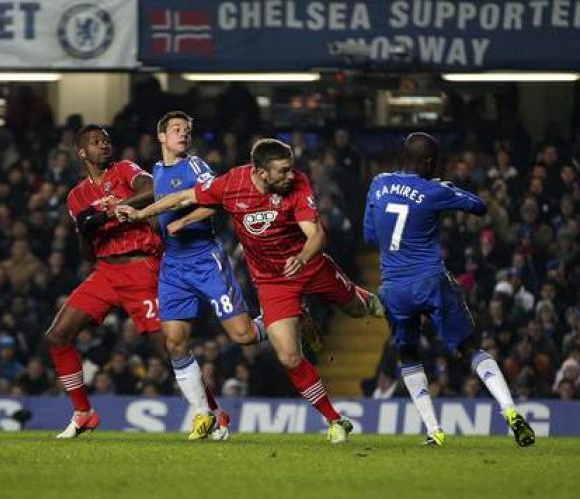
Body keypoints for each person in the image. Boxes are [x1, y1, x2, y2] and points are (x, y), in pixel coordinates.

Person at [116, 138, 383, 444]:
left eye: (291, 168)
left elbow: (316, 234)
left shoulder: (297, 183)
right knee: (289, 357)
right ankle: (335, 420)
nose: (290, 175)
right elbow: (184, 197)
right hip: (272, 281)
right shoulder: (233, 183)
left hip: (309, 265)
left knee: (356, 310)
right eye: (282, 171)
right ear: (261, 172)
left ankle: (372, 300)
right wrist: (141, 214)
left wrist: (301, 258)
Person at [45, 125, 224, 439]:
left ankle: (215, 413)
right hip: (105, 272)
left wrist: (107, 213)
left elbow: (153, 189)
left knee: (169, 348)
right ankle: (84, 413)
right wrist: (86, 230)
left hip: (142, 268)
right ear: (82, 152)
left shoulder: (125, 170)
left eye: (106, 140)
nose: (104, 145)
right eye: (96, 142)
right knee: (57, 336)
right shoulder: (76, 197)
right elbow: (87, 253)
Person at [362, 132, 535, 447]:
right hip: (430, 281)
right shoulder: (433, 189)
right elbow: (479, 207)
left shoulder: (378, 183)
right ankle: (510, 411)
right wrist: (446, 188)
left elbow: (370, 237)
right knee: (471, 348)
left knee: (408, 353)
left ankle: (434, 430)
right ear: (430, 162)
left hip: (393, 288)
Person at [133, 111, 268, 440]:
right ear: (161, 136)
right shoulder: (158, 169)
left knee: (243, 335)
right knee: (174, 342)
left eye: (187, 130)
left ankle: (280, 318)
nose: (183, 134)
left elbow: (218, 201)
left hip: (205, 259)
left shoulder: (195, 167)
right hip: (173, 266)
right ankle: (204, 415)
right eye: (176, 129)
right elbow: (159, 203)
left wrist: (183, 221)